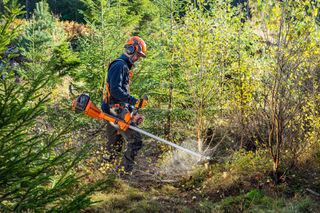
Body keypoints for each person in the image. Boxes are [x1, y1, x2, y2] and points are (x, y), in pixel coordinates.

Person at [101, 36, 148, 174]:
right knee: (136, 141)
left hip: (115, 109)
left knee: (115, 145)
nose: (138, 58)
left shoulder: (123, 66)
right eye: (138, 55)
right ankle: (124, 173)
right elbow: (115, 91)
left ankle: (105, 174)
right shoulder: (119, 65)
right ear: (131, 49)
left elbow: (121, 93)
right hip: (115, 110)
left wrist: (133, 111)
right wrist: (134, 101)